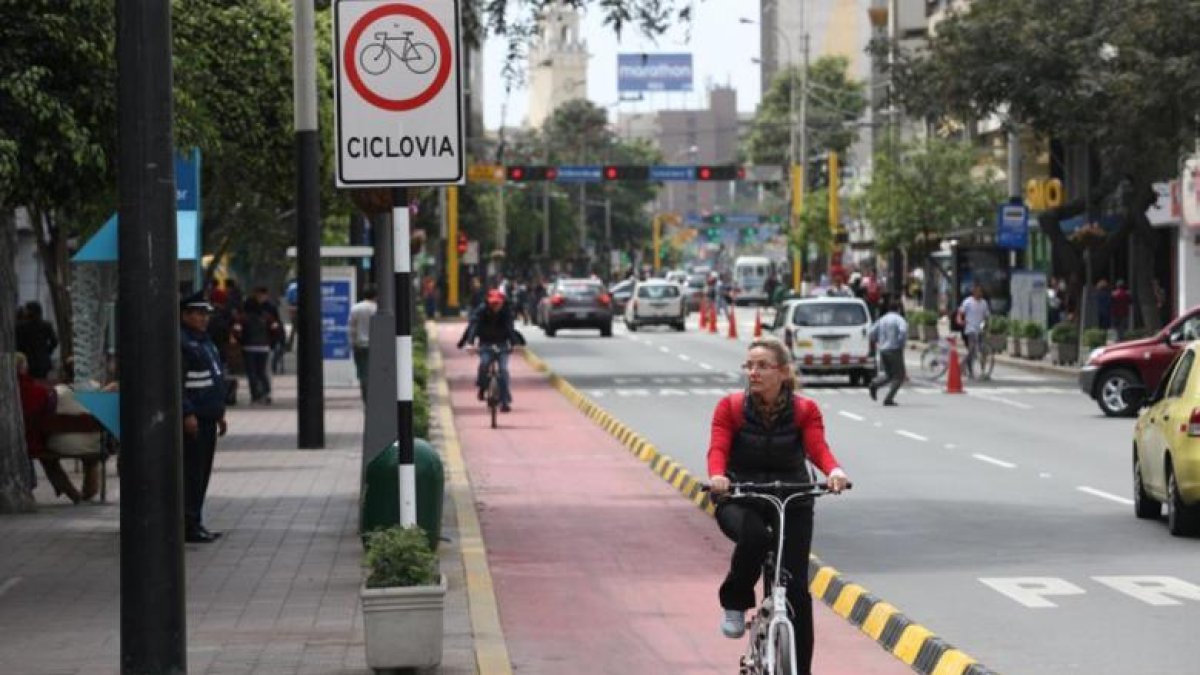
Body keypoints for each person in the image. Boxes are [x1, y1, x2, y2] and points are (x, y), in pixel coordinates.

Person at [707, 336, 850, 673]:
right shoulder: (730, 407)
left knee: (797, 588)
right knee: (755, 537)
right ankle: (735, 601)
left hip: (792, 496)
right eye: (749, 366)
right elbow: (718, 449)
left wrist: (834, 471)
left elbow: (817, 448)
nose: (753, 372)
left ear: (783, 372)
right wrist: (718, 477)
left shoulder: (805, 410)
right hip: (742, 495)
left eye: (762, 366)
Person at [180, 291, 228, 543]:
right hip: (195, 419)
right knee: (192, 473)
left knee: (202, 472)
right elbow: (179, 383)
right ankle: (188, 523)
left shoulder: (205, 341)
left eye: (205, 314)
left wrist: (219, 413)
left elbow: (214, 378)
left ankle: (196, 520)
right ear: (185, 315)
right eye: (199, 314)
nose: (204, 318)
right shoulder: (183, 342)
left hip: (208, 416)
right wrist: (186, 412)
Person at [16, 352, 81, 503]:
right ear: (24, 368)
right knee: (48, 458)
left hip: (15, 441)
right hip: (34, 441)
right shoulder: (38, 391)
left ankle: (66, 490)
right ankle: (71, 492)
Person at [457, 289, 525, 412]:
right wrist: (470, 343)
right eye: (493, 303)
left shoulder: (506, 312)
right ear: (488, 302)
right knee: (484, 364)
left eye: (498, 303)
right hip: (485, 343)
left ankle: (504, 401)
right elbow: (473, 327)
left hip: (502, 343)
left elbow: (510, 329)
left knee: (503, 370)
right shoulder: (481, 311)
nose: (495, 306)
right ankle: (482, 386)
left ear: (502, 303)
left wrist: (515, 344)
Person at [234, 293, 278, 405]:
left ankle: (255, 395)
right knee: (262, 372)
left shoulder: (242, 318)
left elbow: (237, 331)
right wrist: (270, 341)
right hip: (264, 347)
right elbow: (275, 329)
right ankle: (266, 393)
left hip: (248, 347)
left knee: (252, 373)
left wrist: (241, 341)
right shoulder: (267, 316)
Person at [868, 299, 908, 406]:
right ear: (899, 309)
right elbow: (903, 331)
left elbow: (871, 333)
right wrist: (900, 343)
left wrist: (878, 341)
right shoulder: (899, 319)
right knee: (899, 377)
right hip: (894, 350)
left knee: (889, 375)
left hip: (883, 350)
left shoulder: (882, 319)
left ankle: (875, 384)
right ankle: (888, 399)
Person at [348, 284, 378, 402]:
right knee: (376, 373)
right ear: (376, 296)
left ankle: (366, 399)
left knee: (363, 374)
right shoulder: (377, 309)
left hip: (360, 345)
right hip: (375, 346)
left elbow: (351, 328)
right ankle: (374, 398)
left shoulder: (356, 308)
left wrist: (352, 343)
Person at [16, 301, 59, 380]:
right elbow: (55, 342)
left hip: (28, 361)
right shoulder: (46, 325)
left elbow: (18, 344)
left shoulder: (21, 327)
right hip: (43, 361)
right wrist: (47, 351)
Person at [956, 284, 991, 378]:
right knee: (972, 349)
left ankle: (983, 371)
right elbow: (960, 313)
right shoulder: (968, 302)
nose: (980, 293)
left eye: (981, 291)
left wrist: (987, 328)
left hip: (980, 330)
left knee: (983, 350)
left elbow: (987, 316)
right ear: (974, 292)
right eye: (978, 291)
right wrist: (960, 320)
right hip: (970, 329)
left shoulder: (984, 303)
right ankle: (964, 366)